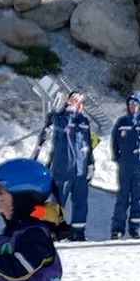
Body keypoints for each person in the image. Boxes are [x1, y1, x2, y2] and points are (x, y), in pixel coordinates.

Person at [39, 91, 96, 241]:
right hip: (63, 169)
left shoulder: (83, 121)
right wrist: (68, 110)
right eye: (73, 101)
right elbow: (60, 126)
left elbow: (88, 145)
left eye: (78, 102)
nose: (77, 104)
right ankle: (54, 232)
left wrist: (90, 164)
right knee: (57, 202)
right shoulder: (60, 118)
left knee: (80, 202)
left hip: (80, 170)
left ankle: (78, 232)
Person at [108, 89, 140, 240]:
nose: (132, 106)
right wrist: (118, 157)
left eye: (135, 103)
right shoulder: (122, 122)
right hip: (125, 168)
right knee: (122, 198)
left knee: (138, 198)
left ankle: (136, 228)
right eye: (130, 103)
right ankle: (117, 229)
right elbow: (114, 141)